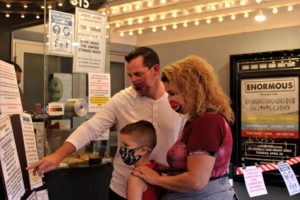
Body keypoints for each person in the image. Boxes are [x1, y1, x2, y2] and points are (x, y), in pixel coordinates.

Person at [27, 47, 186, 199]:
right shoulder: (122, 100)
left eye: (138, 74)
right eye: (130, 75)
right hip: (122, 188)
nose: (133, 81)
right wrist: (57, 156)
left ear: (156, 70)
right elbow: (91, 128)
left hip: (165, 190)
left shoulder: (178, 101)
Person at [133, 55, 238, 200]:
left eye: (172, 93)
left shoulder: (206, 122)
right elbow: (204, 165)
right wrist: (172, 168)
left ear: (192, 90)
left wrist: (155, 179)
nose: (169, 99)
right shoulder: (206, 118)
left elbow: (196, 181)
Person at [119, 120, 160, 200]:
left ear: (143, 151)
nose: (122, 149)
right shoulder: (156, 168)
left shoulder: (136, 177)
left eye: (126, 145)